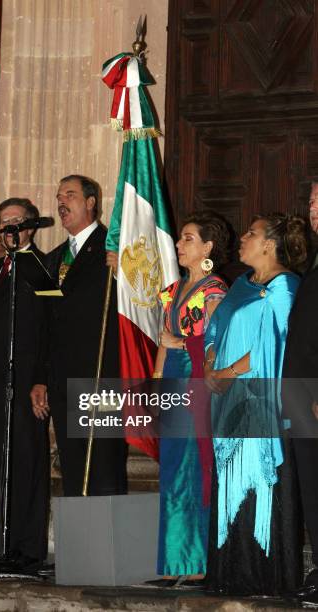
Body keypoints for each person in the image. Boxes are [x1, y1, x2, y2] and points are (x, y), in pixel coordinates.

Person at [204, 213, 308, 595]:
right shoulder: (241, 285)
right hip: (228, 405)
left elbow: (277, 346)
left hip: (261, 405)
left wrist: (229, 371)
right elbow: (216, 329)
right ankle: (229, 574)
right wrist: (210, 362)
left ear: (269, 244)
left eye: (252, 233)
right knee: (229, 487)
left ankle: (264, 578)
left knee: (259, 488)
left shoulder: (286, 287)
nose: (243, 238)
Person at [31, 174, 128, 496]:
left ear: (91, 203)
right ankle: (81, 544)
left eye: (69, 195)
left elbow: (143, 302)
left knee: (102, 466)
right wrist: (41, 377)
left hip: (101, 378)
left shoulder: (115, 252)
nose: (61, 202)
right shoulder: (52, 258)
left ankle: (107, 545)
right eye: (59, 196)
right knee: (72, 468)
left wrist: (127, 273)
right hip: (61, 380)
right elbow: (45, 324)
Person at [0, 197, 50, 574]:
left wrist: (41, 378)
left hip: (25, 382)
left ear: (31, 228)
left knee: (25, 463)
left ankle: (26, 549)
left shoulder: (42, 267)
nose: (8, 230)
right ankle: (3, 543)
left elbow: (49, 331)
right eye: (3, 223)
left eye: (16, 222)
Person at [153, 212, 228, 586]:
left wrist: (180, 343)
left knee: (194, 469)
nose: (180, 245)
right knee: (171, 469)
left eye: (188, 239)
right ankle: (173, 562)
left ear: (208, 247)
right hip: (171, 383)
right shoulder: (172, 290)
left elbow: (221, 345)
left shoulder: (215, 292)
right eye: (180, 239)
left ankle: (195, 560)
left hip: (196, 382)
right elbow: (162, 344)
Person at [282, 183, 318, 605]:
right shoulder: (313, 261)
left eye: (317, 202)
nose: (311, 209)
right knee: (310, 483)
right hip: (301, 393)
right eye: (308, 200)